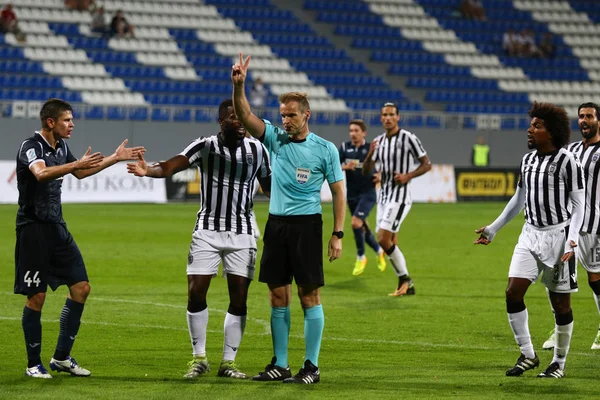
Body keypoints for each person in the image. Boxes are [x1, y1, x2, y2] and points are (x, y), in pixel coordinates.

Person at [127, 99, 272, 380]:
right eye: (234, 117)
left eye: (243, 116)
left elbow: (269, 186)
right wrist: (150, 170)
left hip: (243, 231)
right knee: (195, 293)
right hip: (207, 230)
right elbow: (171, 165)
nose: (240, 121)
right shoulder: (204, 146)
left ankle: (228, 363)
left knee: (239, 299)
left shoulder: (258, 149)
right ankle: (199, 358)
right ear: (221, 122)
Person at [232, 53, 345, 384]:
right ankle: (280, 364)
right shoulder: (275, 139)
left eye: (292, 115)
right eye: (283, 115)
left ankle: (311, 366)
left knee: (309, 296)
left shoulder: (325, 150)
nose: (286, 120)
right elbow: (245, 114)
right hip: (277, 227)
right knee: (276, 295)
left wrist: (337, 234)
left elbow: (339, 192)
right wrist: (238, 85)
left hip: (308, 227)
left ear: (306, 115)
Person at [15, 98, 145, 378]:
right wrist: (75, 165)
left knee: (81, 288)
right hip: (33, 229)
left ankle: (61, 357)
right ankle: (32, 364)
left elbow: (81, 171)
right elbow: (40, 174)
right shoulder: (32, 146)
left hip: (57, 228)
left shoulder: (60, 146)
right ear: (51, 122)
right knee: (36, 297)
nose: (72, 124)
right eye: (67, 120)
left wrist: (114, 158)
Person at [474, 101, 584, 379]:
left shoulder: (567, 161)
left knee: (561, 305)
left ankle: (558, 362)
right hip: (530, 235)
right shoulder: (527, 160)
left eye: (537, 125)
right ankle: (528, 354)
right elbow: (519, 198)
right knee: (513, 293)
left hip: (559, 238)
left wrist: (572, 240)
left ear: (552, 131)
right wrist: (494, 228)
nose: (530, 129)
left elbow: (579, 204)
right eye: (531, 124)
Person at [542, 102, 600, 352]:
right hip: (566, 225)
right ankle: (559, 327)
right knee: (556, 279)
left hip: (594, 226)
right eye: (581, 117)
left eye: (589, 116)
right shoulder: (571, 149)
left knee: (595, 279)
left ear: (598, 121)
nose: (584, 120)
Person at [362, 102, 432, 296]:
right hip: (383, 197)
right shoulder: (378, 142)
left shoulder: (408, 138)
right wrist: (369, 155)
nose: (387, 118)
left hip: (400, 197)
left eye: (391, 114)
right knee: (389, 240)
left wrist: (407, 176)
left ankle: (406, 279)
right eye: (384, 114)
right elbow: (366, 171)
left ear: (398, 117)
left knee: (383, 239)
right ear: (381, 117)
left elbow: (427, 164)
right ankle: (405, 285)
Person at [339, 119, 386, 276]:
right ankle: (379, 251)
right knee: (362, 228)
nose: (353, 133)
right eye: (351, 131)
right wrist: (345, 167)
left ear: (363, 133)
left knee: (355, 223)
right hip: (352, 194)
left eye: (356, 131)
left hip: (368, 193)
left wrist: (380, 175)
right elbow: (334, 167)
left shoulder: (370, 148)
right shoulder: (345, 148)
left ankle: (361, 257)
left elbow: (384, 167)